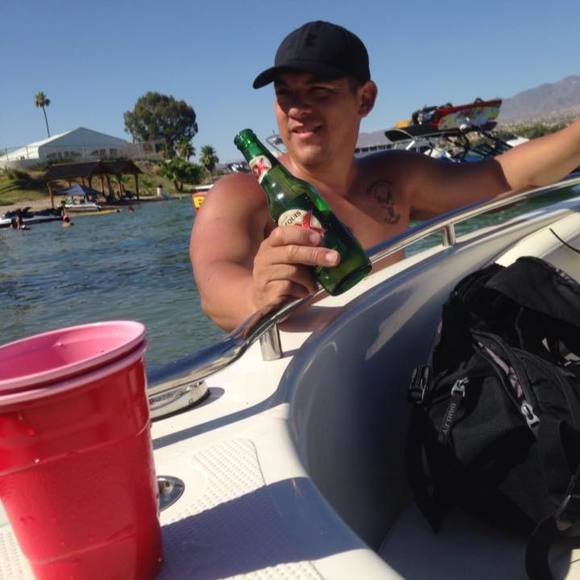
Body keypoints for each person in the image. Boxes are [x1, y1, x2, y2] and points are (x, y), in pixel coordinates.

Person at [191, 20, 580, 332]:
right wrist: (256, 296)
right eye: (285, 93)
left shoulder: (395, 177)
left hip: (394, 359)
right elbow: (215, 284)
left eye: (319, 90)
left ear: (364, 99)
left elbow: (503, 176)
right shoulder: (242, 193)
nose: (297, 108)